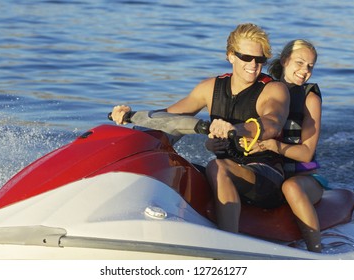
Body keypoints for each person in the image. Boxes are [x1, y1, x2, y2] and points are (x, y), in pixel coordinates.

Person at [111, 23, 290, 234]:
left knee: (217, 166)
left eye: (260, 59)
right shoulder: (210, 87)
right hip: (228, 170)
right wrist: (130, 117)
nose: (253, 64)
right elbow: (170, 117)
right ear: (231, 56)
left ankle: (228, 243)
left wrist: (235, 129)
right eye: (246, 57)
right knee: (178, 166)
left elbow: (272, 121)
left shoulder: (274, 89)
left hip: (266, 177)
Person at [241, 39, 326, 252]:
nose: (305, 70)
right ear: (285, 60)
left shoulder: (310, 98)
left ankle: (316, 250)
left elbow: (306, 153)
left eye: (310, 66)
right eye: (299, 62)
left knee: (291, 187)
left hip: (304, 178)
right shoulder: (265, 89)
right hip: (270, 170)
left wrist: (271, 146)